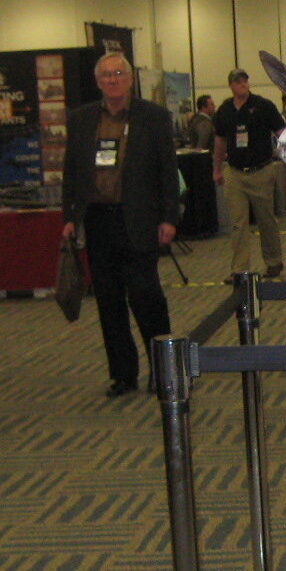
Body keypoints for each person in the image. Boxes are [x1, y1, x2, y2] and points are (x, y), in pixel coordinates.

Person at [61, 52, 180, 397]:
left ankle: (164, 371)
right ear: (98, 82)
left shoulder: (153, 117)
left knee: (147, 298)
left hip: (140, 219)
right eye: (106, 75)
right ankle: (122, 375)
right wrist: (69, 217)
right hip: (98, 221)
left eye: (118, 74)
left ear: (130, 79)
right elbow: (72, 171)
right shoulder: (83, 119)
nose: (113, 80)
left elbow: (167, 173)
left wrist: (169, 218)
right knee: (109, 303)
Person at [212, 68, 286, 281]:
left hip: (261, 171)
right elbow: (219, 142)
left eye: (245, 80)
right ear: (231, 85)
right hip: (235, 173)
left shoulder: (264, 106)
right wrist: (217, 169)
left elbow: (281, 133)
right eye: (238, 81)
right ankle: (239, 268)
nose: (242, 84)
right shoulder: (225, 110)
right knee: (238, 223)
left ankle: (274, 261)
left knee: (266, 220)